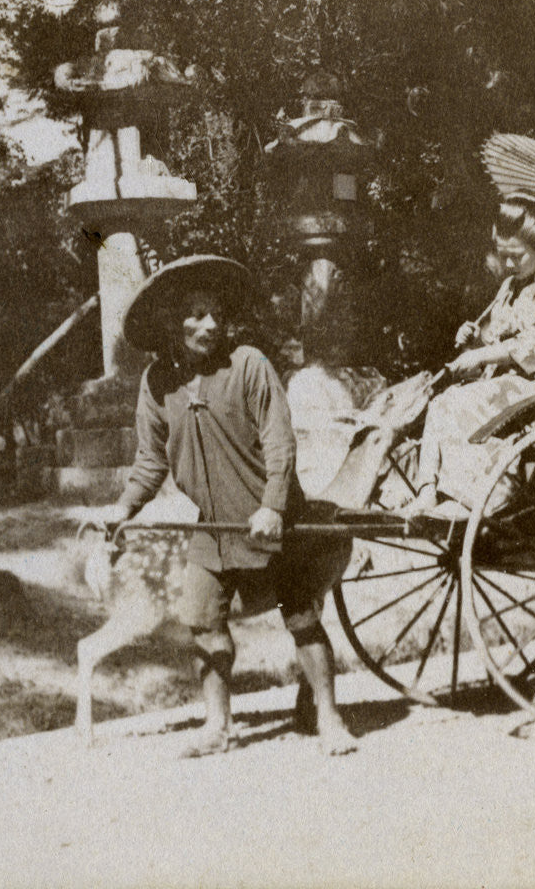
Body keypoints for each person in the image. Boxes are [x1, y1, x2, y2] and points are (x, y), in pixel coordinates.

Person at [98, 255, 355, 757]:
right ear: (171, 322)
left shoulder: (249, 365)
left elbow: (281, 445)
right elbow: (150, 461)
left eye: (215, 313)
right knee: (203, 619)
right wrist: (122, 508)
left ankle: (328, 718)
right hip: (213, 532)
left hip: (275, 520)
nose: (209, 324)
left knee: (301, 617)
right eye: (195, 314)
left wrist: (273, 508)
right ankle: (217, 726)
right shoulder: (156, 385)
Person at [409, 193, 535, 514]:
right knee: (442, 401)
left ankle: (477, 499)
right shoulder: (509, 288)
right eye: (503, 254)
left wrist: (483, 355)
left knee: (461, 404)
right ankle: (429, 490)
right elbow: (490, 337)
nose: (508, 264)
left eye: (517, 256)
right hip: (512, 382)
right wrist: (472, 340)